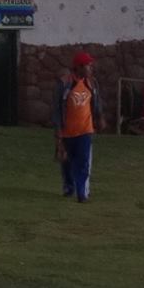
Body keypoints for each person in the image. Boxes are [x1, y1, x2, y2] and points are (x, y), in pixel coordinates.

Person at [53, 51, 99, 202]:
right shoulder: (64, 83)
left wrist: (99, 116)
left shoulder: (91, 83)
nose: (90, 68)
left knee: (83, 162)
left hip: (85, 130)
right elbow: (57, 108)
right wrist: (58, 130)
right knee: (67, 162)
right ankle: (69, 186)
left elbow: (96, 101)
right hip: (67, 131)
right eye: (88, 65)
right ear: (79, 67)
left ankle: (81, 193)